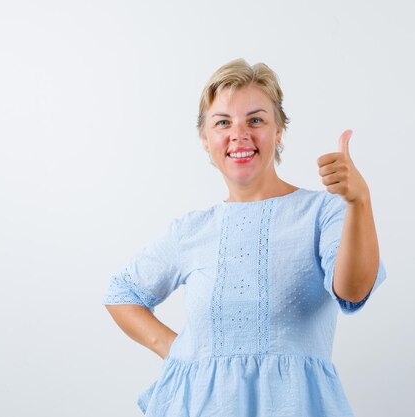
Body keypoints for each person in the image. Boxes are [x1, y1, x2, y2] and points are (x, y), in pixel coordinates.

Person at [103, 58, 387, 416]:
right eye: (223, 122)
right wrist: (176, 350)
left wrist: (360, 201)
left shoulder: (324, 212)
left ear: (279, 131)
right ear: (206, 139)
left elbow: (353, 290)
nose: (239, 134)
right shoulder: (190, 230)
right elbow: (121, 292)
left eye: (256, 120)